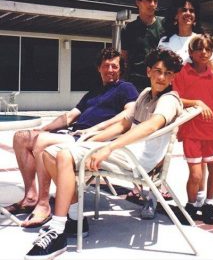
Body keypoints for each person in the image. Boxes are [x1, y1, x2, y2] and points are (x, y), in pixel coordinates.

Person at [24, 48, 183, 259]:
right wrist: (92, 138)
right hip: (126, 150)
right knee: (49, 154)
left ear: (173, 76)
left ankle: (57, 229)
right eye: (158, 71)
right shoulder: (145, 94)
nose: (162, 77)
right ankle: (74, 219)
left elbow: (151, 126)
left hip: (137, 159)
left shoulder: (169, 100)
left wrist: (108, 147)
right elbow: (125, 123)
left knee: (62, 155)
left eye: (168, 73)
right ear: (148, 72)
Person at [4, 47, 138, 228]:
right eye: (106, 66)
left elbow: (128, 115)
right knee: (21, 137)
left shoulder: (126, 88)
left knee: (42, 142)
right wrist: (45, 128)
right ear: (99, 68)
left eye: (114, 66)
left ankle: (43, 205)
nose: (110, 70)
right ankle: (30, 197)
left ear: (121, 69)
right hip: (73, 135)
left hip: (92, 141)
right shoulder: (93, 93)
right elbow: (69, 117)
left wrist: (97, 128)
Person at [158, 0, 213, 211]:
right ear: (175, 15)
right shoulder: (166, 42)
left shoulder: (202, 40)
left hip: (198, 109)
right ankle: (153, 195)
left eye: (191, 10)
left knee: (203, 158)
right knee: (161, 151)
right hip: (171, 101)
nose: (188, 13)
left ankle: (201, 200)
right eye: (183, 10)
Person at [173, 33, 213, 225]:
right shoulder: (182, 73)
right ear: (191, 52)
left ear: (212, 52)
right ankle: (191, 205)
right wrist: (197, 103)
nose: (203, 53)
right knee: (195, 174)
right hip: (191, 132)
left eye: (208, 49)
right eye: (199, 49)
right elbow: (175, 99)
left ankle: (208, 204)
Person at [121, 0, 165, 92]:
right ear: (138, 2)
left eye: (155, 1)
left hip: (160, 82)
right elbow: (124, 59)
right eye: (148, 0)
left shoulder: (165, 26)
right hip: (135, 84)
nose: (153, 4)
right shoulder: (128, 29)